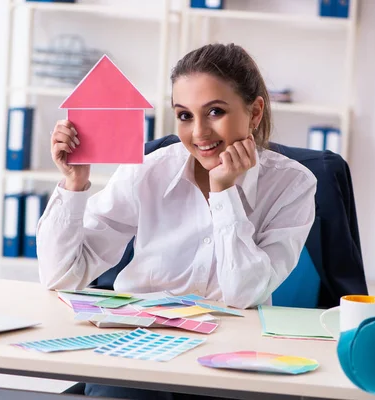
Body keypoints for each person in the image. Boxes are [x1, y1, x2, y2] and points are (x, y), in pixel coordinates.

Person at [37, 43, 317, 399]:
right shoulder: (148, 170)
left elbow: (243, 293)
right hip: (141, 347)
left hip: (229, 355)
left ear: (255, 111)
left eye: (215, 111)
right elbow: (60, 276)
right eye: (185, 115)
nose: (199, 133)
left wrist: (224, 191)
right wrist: (74, 184)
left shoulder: (294, 185)